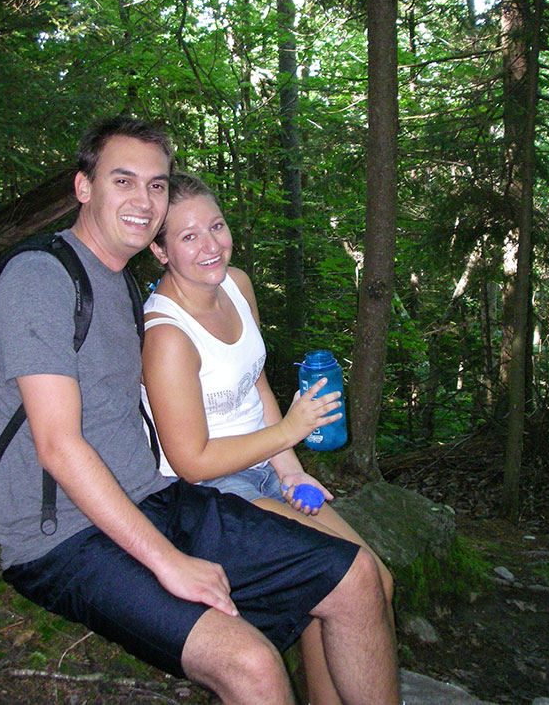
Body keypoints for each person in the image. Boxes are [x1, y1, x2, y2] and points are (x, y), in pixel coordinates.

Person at [0, 117, 401, 705]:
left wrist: (288, 467)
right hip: (63, 536)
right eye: (123, 180)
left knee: (358, 578)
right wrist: (170, 562)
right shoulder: (39, 278)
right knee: (254, 664)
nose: (144, 199)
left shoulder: (121, 285)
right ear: (83, 187)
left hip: (154, 498)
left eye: (156, 185)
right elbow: (58, 446)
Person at [141, 171, 396, 705]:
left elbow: (254, 379)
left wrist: (290, 468)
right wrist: (290, 432)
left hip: (263, 464)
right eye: (188, 237)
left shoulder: (235, 284)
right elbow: (191, 461)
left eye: (217, 225)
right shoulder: (167, 337)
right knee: (351, 581)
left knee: (379, 583)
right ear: (161, 252)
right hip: (210, 493)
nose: (211, 244)